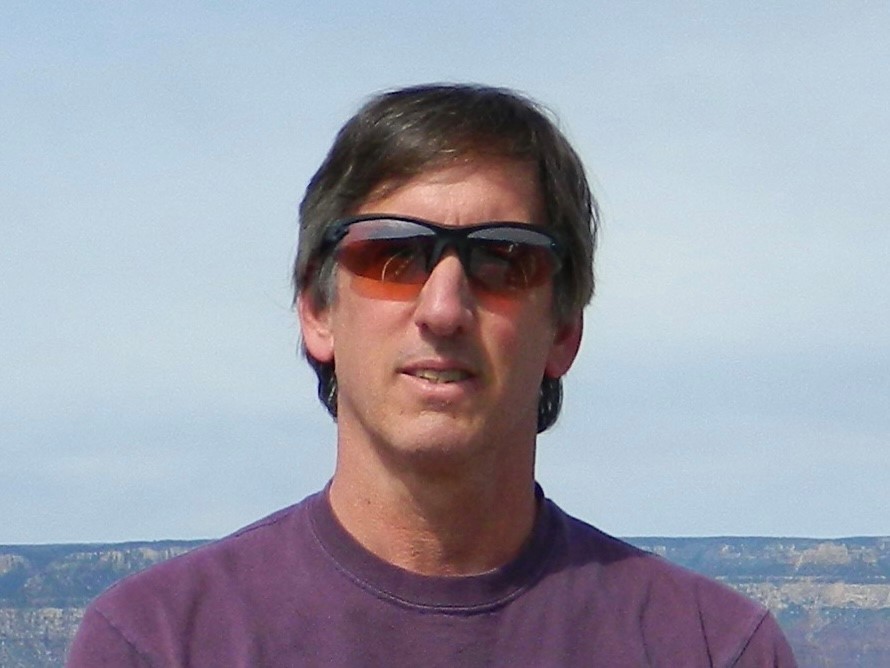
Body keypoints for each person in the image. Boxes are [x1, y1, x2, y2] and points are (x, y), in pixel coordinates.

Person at [67, 83, 797, 667]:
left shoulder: (712, 648)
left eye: (504, 259)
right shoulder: (160, 643)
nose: (443, 309)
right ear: (318, 312)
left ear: (564, 332)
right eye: (392, 256)